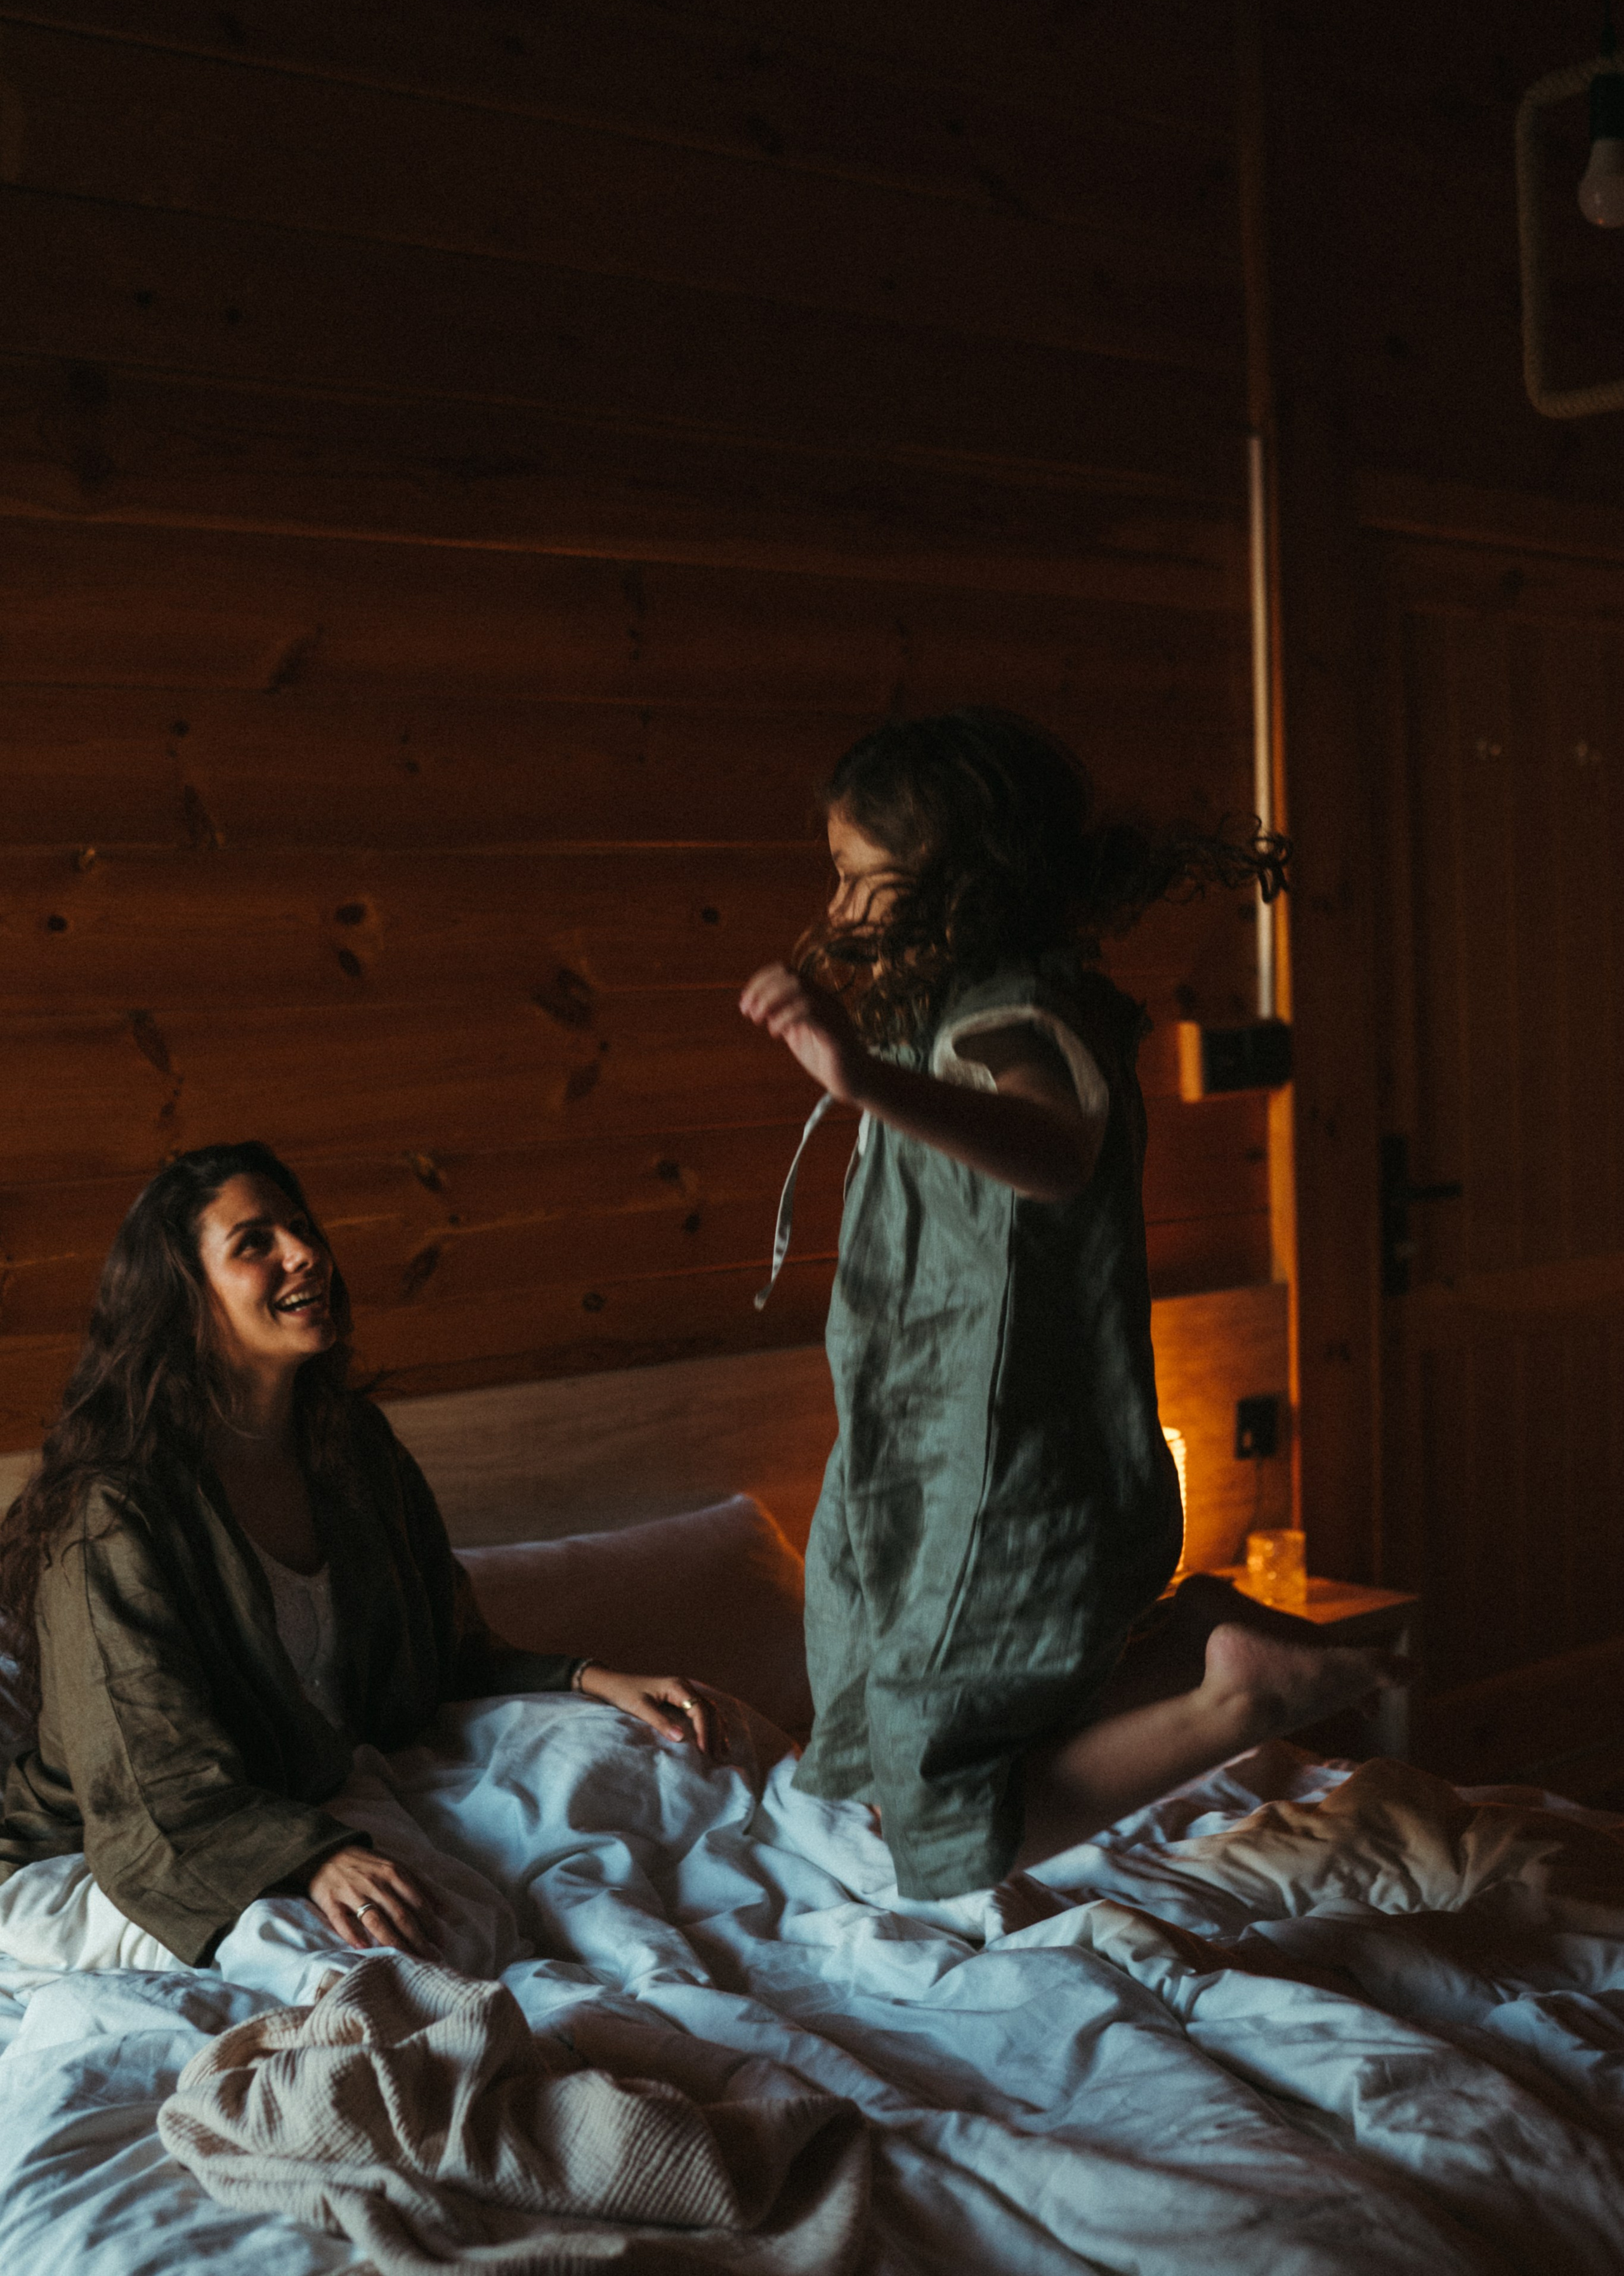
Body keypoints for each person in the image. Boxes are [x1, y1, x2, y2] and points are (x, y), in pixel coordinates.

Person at [740, 708, 1401, 1902]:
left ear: (953, 880)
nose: (837, 912)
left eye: (856, 878)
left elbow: (1054, 1146)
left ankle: (1234, 1695)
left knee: (942, 1831)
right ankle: (1198, 1646)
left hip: (1002, 1468)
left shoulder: (1017, 1014)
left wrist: (863, 1079)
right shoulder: (949, 1016)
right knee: (884, 1737)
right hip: (916, 1454)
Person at [0, 1142, 716, 1966]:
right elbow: (142, 1779)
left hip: (314, 1796)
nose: (305, 1253)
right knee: (391, 1950)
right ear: (184, 1301)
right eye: (254, 1243)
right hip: (122, 1852)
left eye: (299, 1228)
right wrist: (311, 1857)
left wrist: (591, 1678)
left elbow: (444, 1646)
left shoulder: (350, 1446)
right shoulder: (113, 1514)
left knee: (667, 1767)